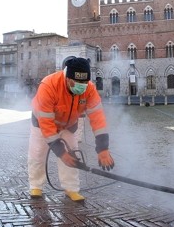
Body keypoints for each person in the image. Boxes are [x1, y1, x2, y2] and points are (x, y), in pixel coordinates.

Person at [28, 57, 114, 201]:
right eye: (78, 83)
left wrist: (103, 148)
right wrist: (61, 152)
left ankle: (71, 189)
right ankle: (36, 186)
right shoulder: (49, 85)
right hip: (42, 123)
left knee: (72, 155)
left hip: (68, 125)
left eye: (85, 83)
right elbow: (47, 125)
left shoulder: (89, 89)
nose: (82, 86)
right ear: (67, 79)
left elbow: (97, 117)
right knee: (38, 153)